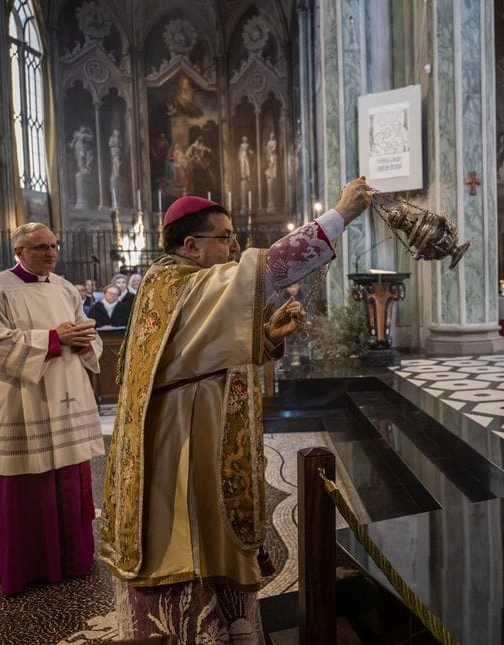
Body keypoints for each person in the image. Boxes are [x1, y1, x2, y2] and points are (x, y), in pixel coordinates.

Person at [99, 178, 371, 640]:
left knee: (217, 535)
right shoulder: (178, 284)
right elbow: (268, 268)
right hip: (185, 449)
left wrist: (267, 337)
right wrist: (340, 214)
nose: (235, 246)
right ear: (191, 245)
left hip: (203, 431)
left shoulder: (178, 283)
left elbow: (204, 356)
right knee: (195, 547)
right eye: (225, 237)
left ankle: (230, 626)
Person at [0, 223, 103, 595]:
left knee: (71, 481)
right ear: (20, 251)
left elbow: (87, 335)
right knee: (33, 484)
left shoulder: (64, 288)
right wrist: (51, 339)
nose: (50, 253)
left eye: (53, 246)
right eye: (40, 247)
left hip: (69, 396)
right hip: (25, 402)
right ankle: (31, 567)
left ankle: (77, 559)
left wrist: (82, 342)